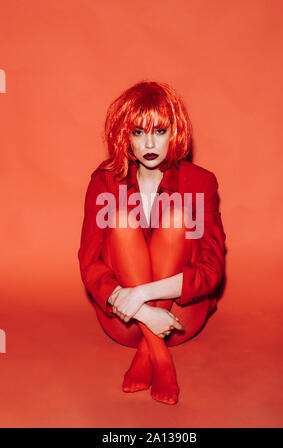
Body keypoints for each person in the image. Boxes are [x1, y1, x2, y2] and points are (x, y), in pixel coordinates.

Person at [78, 80, 226, 405]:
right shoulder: (104, 181)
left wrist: (142, 296)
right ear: (124, 135)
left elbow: (212, 270)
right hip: (123, 318)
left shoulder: (200, 183)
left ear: (176, 132)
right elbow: (89, 263)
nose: (149, 142)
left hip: (180, 318)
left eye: (160, 131)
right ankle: (158, 356)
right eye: (138, 132)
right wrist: (144, 313)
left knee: (176, 218)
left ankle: (148, 356)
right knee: (118, 219)